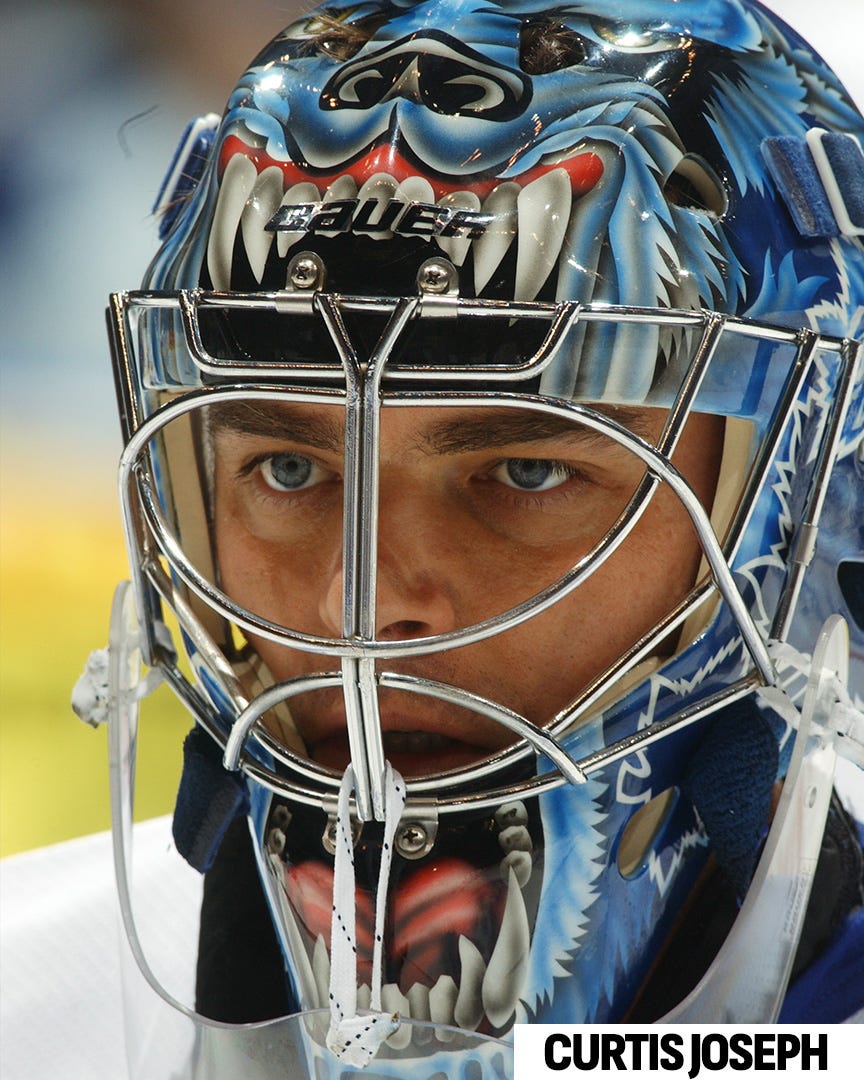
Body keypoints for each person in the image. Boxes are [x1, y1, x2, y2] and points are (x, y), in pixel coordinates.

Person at [82, 0, 864, 1074]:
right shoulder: (29, 1004)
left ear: (805, 504)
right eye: (288, 469)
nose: (361, 602)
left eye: (529, 471)